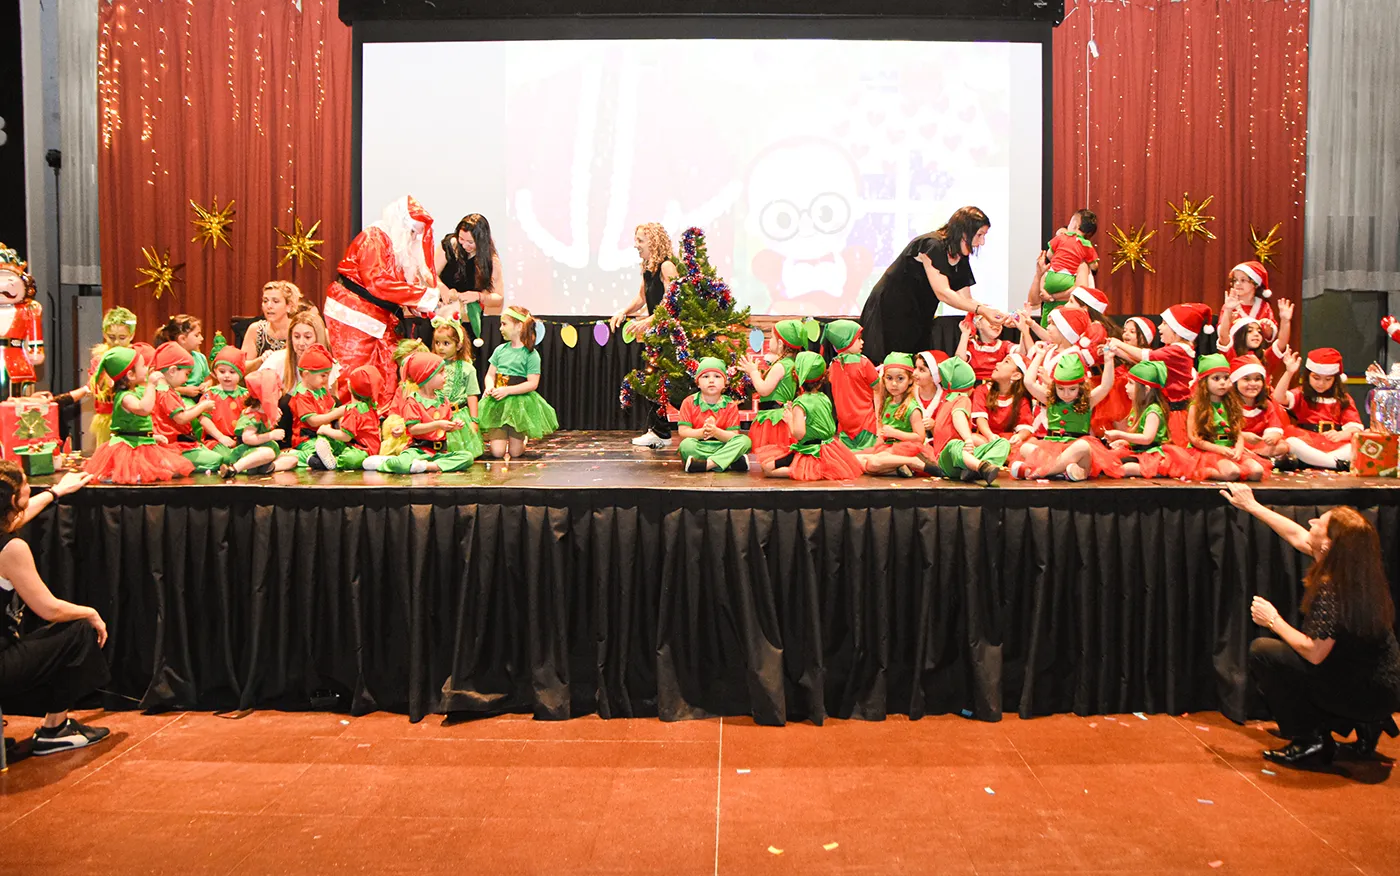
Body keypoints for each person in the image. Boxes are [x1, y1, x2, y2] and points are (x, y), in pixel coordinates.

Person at [1222, 484, 1400, 764]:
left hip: (1363, 692)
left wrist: (1272, 620)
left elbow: (1314, 653)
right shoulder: (1357, 567)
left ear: (1327, 545)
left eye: (1320, 524)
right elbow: (1296, 535)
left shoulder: (1332, 588)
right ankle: (1368, 723)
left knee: (1265, 652)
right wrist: (1252, 506)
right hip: (1379, 687)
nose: (1312, 522)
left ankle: (1311, 740)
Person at [0, 463, 112, 756]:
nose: (29, 488)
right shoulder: (11, 550)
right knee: (78, 629)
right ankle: (55, 730)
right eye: (25, 485)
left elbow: (17, 518)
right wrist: (90, 613)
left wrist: (55, 492)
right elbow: (49, 609)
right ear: (13, 500)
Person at [325, 196, 442, 408]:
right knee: (355, 375)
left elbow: (396, 288)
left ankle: (379, 420)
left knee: (386, 372)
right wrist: (424, 297)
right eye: (412, 232)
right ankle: (351, 421)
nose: (413, 238)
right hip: (353, 315)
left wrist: (424, 304)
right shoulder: (374, 238)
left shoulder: (395, 248)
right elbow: (378, 282)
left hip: (379, 319)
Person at [858, 206, 1007, 365]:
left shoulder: (960, 256)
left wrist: (994, 315)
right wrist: (982, 310)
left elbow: (967, 299)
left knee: (914, 364)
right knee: (891, 363)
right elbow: (943, 292)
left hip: (918, 314)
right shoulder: (932, 245)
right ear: (964, 232)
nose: (981, 242)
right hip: (891, 310)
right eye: (979, 235)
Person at [611, 223, 681, 449]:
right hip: (655, 336)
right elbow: (641, 298)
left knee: (674, 385)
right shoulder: (648, 268)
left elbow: (673, 304)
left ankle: (686, 425)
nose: (636, 245)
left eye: (640, 240)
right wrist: (624, 311)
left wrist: (649, 320)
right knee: (653, 382)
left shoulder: (667, 267)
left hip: (669, 336)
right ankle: (659, 431)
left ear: (653, 242)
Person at [83, 347, 196, 484]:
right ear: (131, 375)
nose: (146, 368)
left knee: (172, 468)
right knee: (136, 471)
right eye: (142, 366)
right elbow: (144, 409)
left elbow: (138, 423)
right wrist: (151, 385)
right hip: (129, 446)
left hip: (142, 442)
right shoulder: (125, 397)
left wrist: (151, 436)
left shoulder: (135, 392)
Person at [1107, 303, 1215, 446]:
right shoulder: (1172, 348)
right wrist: (1118, 352)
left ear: (1177, 330)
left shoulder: (1178, 350)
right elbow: (1148, 364)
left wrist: (1119, 344)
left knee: (1171, 450)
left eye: (1164, 324)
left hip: (1174, 413)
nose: (1159, 327)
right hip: (1166, 408)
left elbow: (1146, 356)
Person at [1014, 347, 1122, 481]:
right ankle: (1063, 470)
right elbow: (1028, 382)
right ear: (1054, 387)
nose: (1066, 394)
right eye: (1060, 389)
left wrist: (1108, 359)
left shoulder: (1087, 401)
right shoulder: (1050, 399)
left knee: (1083, 447)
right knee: (1025, 447)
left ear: (1081, 387)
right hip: (1051, 447)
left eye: (1072, 389)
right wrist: (1039, 356)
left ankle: (1042, 471)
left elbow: (1106, 385)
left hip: (1076, 446)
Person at [757, 351, 865, 481]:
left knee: (767, 468)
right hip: (829, 449)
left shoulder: (800, 403)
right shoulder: (824, 398)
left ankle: (803, 471)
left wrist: (790, 420)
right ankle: (818, 469)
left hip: (809, 451)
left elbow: (799, 434)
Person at [365, 351, 477, 474]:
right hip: (418, 450)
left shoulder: (442, 399)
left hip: (439, 452)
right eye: (441, 372)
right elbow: (413, 429)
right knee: (401, 464)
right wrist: (438, 424)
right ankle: (385, 462)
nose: (445, 376)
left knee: (467, 457)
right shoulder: (413, 401)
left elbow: (445, 426)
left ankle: (427, 466)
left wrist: (453, 426)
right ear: (427, 376)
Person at [478, 306, 558, 459]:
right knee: (497, 452)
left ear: (519, 326)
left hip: (518, 404)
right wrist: (489, 386)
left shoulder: (531, 354)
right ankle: (501, 439)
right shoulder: (500, 350)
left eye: (504, 324)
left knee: (515, 453)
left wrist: (507, 390)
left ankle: (522, 440)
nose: (500, 328)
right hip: (498, 402)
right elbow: (490, 375)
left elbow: (532, 383)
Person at [919, 357, 1007, 484]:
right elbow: (958, 416)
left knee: (1002, 443)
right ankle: (980, 467)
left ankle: (976, 468)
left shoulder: (947, 400)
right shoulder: (961, 399)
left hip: (963, 457)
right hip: (948, 459)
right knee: (954, 445)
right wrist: (968, 439)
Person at [1273, 348, 1363, 471]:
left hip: (1334, 442)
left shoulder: (1343, 399)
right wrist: (1289, 373)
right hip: (1306, 440)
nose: (1321, 383)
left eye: (1328, 379)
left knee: (1354, 447)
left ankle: (1320, 461)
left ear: (1335, 379)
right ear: (1308, 376)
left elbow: (1355, 427)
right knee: (1292, 443)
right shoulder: (1301, 394)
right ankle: (1335, 464)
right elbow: (1278, 398)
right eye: (1316, 378)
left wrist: (1342, 434)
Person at [1183, 353, 1269, 482]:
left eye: (1226, 378)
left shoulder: (1231, 404)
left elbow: (1237, 432)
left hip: (1230, 448)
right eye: (1216, 378)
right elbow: (1194, 438)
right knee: (1232, 473)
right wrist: (1219, 449)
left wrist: (1239, 449)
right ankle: (1199, 471)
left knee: (1257, 471)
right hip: (1209, 450)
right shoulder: (1196, 407)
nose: (1222, 382)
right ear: (1204, 382)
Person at [1106, 360, 1193, 479]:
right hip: (1139, 452)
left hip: (1152, 453)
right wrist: (1125, 442)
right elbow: (1138, 436)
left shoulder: (1153, 411)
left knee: (1124, 468)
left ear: (1146, 389)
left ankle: (1157, 469)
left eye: (1131, 383)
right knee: (1110, 461)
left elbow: (1147, 438)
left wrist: (1120, 434)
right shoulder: (1138, 408)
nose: (1126, 387)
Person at [150, 342, 228, 472]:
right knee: (216, 460)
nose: (186, 380)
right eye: (187, 374)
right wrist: (202, 406)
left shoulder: (166, 391)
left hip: (181, 442)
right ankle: (172, 464)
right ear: (172, 371)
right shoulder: (165, 393)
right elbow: (181, 418)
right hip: (174, 445)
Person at [737, 320, 806, 452]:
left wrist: (753, 372)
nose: (769, 341)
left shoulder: (780, 366)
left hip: (774, 419)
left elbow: (764, 390)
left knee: (771, 453)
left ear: (780, 343)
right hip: (780, 414)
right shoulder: (791, 363)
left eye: (772, 337)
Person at [435, 213, 505, 344]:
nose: (464, 245)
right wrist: (442, 288)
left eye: (470, 242)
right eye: (461, 239)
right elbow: (430, 274)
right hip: (442, 318)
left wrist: (479, 296)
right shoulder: (449, 246)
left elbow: (498, 298)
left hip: (470, 320)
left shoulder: (490, 260)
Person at [676, 358, 752, 473]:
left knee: (744, 441)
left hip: (722, 445)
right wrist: (704, 432)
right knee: (686, 446)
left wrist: (716, 432)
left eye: (717, 376)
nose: (711, 381)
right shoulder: (688, 402)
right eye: (705, 377)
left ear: (725, 383)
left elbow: (733, 436)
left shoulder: (730, 405)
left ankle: (706, 464)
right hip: (700, 445)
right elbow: (683, 431)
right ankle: (728, 462)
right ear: (698, 383)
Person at [858, 353, 927, 477]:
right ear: (884, 379)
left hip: (905, 449)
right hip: (887, 447)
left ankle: (912, 462)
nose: (894, 384)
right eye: (889, 378)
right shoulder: (888, 402)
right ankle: (898, 469)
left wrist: (895, 433)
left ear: (910, 380)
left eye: (900, 378)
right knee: (856, 459)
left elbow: (920, 438)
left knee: (872, 463)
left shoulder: (912, 408)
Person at [432, 317, 485, 462]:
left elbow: (472, 395)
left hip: (458, 415)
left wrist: (474, 420)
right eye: (437, 343)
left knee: (460, 452)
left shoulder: (468, 368)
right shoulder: (432, 366)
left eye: (446, 343)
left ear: (458, 345)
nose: (440, 347)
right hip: (436, 414)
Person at [822, 319, 879, 451]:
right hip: (865, 425)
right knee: (868, 456)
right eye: (858, 338)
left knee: (848, 458)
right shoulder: (864, 363)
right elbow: (878, 389)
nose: (862, 342)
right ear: (846, 341)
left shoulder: (832, 366)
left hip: (845, 426)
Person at [88, 307, 138, 448]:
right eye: (111, 337)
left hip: (131, 418)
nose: (116, 342)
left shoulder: (136, 359)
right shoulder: (99, 360)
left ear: (131, 335)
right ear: (104, 334)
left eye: (122, 338)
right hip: (106, 416)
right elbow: (94, 387)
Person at [240, 280, 300, 371]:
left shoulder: (298, 329)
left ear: (288, 306)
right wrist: (260, 360)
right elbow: (241, 368)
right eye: (265, 301)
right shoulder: (256, 329)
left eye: (275, 301)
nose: (269, 306)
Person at [153, 314, 211, 399]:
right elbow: (161, 385)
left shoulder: (200, 358)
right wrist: (184, 391)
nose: (202, 338)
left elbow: (208, 379)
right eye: (197, 335)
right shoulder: (168, 360)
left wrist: (206, 384)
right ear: (182, 339)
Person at [956, 310, 1014, 382]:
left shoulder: (1005, 346)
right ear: (978, 324)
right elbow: (959, 362)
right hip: (975, 386)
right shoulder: (971, 345)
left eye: (999, 322)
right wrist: (965, 334)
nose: (996, 325)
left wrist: (1023, 329)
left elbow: (1023, 353)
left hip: (998, 386)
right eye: (991, 321)